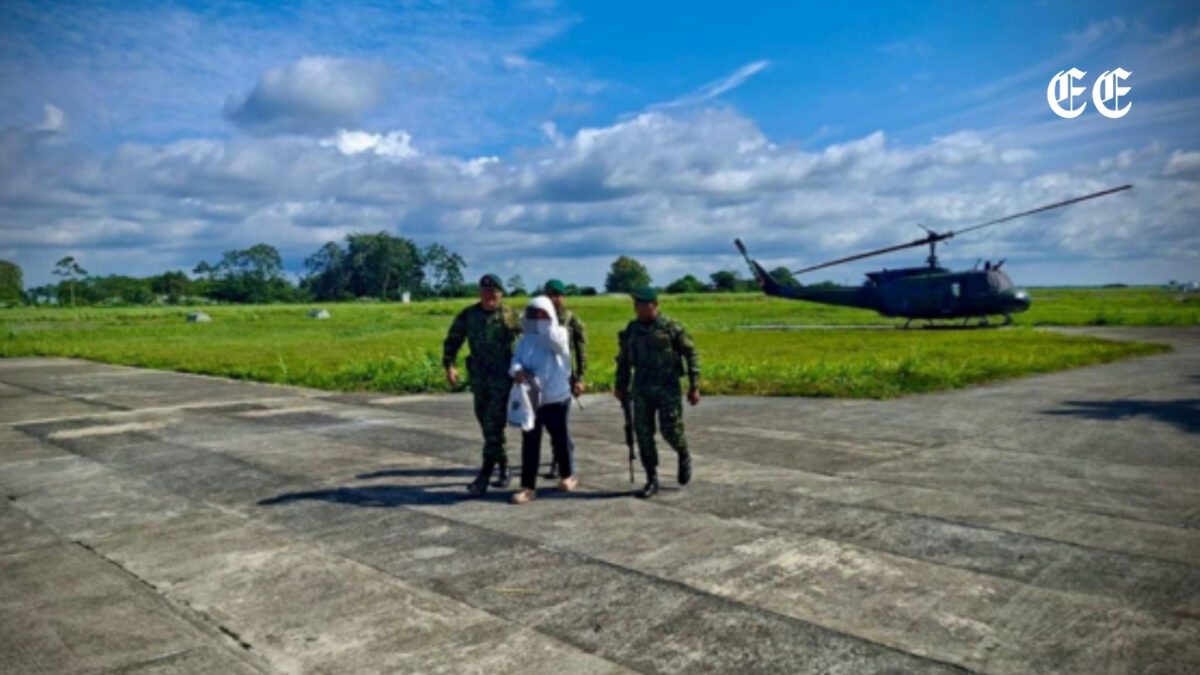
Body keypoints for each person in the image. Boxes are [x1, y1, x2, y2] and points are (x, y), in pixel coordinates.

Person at [614, 286, 700, 498]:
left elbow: (691, 354)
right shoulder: (632, 329)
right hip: (641, 389)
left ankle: (683, 453)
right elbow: (623, 360)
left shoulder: (671, 327)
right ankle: (652, 479)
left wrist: (694, 385)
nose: (637, 307)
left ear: (653, 305)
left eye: (641, 303)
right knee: (643, 435)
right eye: (635, 304)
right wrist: (620, 386)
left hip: (667, 387)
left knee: (671, 430)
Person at [443, 273, 521, 496]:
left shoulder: (510, 315)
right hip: (480, 380)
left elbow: (528, 341)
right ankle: (504, 465)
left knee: (493, 423)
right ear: (479, 293)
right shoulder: (469, 315)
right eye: (485, 292)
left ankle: (484, 476)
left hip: (503, 380)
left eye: (494, 292)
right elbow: (453, 340)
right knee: (486, 423)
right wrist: (450, 365)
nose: (489, 297)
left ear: (501, 294)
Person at [509, 295, 577, 504]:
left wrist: (546, 323)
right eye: (533, 314)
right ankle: (528, 487)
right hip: (532, 397)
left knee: (560, 439)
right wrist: (517, 372)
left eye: (542, 314)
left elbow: (555, 343)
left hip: (556, 397)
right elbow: (515, 361)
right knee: (530, 441)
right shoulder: (525, 340)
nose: (538, 318)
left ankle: (568, 475)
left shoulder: (560, 334)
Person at [542, 279, 587, 480]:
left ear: (563, 297)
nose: (554, 299)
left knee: (560, 424)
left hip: (563, 379)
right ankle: (561, 456)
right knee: (548, 424)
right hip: (543, 379)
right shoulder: (537, 319)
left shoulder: (571, 321)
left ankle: (561, 462)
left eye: (558, 295)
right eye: (550, 295)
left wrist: (579, 378)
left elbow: (580, 352)